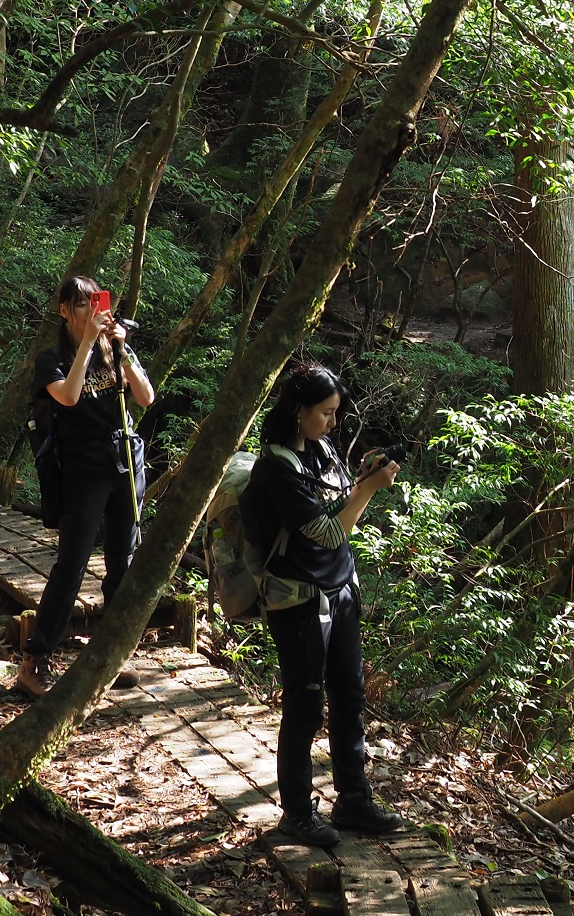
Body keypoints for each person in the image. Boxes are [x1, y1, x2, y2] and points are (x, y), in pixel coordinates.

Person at [242, 363, 406, 848]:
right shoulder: (275, 468)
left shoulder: (321, 449)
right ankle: (296, 812)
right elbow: (330, 531)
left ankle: (353, 797)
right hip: (298, 601)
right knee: (304, 705)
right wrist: (370, 491)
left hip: (341, 590)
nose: (333, 423)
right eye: (326, 413)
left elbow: (331, 506)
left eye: (336, 414)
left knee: (350, 698)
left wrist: (360, 476)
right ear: (299, 412)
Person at [16, 275, 155, 696]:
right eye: (80, 305)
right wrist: (88, 346)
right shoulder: (51, 359)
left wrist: (120, 347)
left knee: (123, 562)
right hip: (82, 469)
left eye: (93, 303)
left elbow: (146, 397)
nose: (89, 312)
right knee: (71, 566)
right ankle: (33, 661)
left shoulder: (114, 350)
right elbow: (70, 397)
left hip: (124, 466)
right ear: (64, 311)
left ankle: (109, 656)